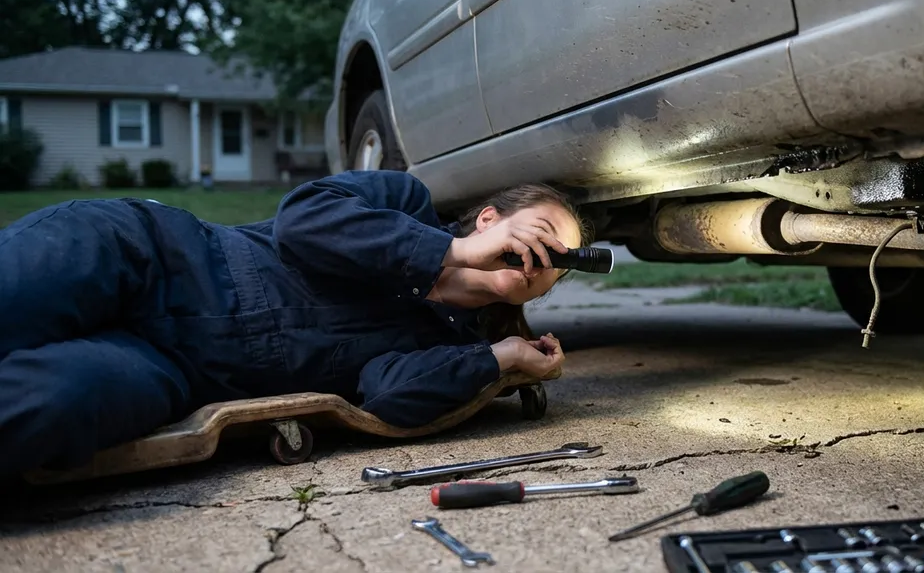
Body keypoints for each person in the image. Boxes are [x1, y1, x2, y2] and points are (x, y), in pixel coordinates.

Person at [0, 169, 589, 477]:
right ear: (490, 220)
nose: (545, 252)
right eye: (537, 230)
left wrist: (500, 359)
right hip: (147, 256)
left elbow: (389, 398)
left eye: (560, 257)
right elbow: (303, 220)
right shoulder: (401, 202)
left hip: (169, 368)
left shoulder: (448, 343)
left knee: (57, 401)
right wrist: (452, 256)